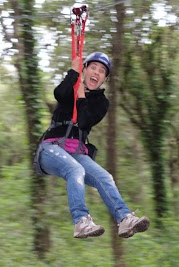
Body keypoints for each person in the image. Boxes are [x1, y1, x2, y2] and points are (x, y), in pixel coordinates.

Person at [36, 52, 150, 239]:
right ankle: (81, 222)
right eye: (93, 67)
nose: (96, 72)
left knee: (105, 177)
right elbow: (58, 93)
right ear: (86, 70)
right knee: (76, 170)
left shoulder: (101, 103)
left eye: (102, 71)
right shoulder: (71, 88)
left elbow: (84, 120)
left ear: (105, 78)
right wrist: (73, 73)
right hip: (51, 149)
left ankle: (124, 219)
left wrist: (81, 97)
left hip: (75, 151)